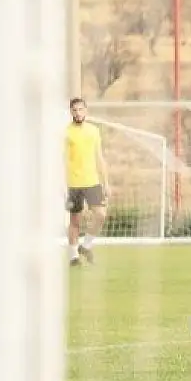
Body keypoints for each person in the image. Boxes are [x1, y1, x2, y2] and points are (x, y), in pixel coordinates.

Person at [65, 97, 109, 266]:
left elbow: (99, 157)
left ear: (86, 111)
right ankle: (73, 257)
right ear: (71, 112)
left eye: (80, 109)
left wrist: (106, 183)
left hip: (92, 181)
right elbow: (62, 160)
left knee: (101, 215)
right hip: (73, 183)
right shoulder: (66, 133)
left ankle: (86, 245)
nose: (78, 113)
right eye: (74, 110)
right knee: (75, 221)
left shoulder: (93, 131)